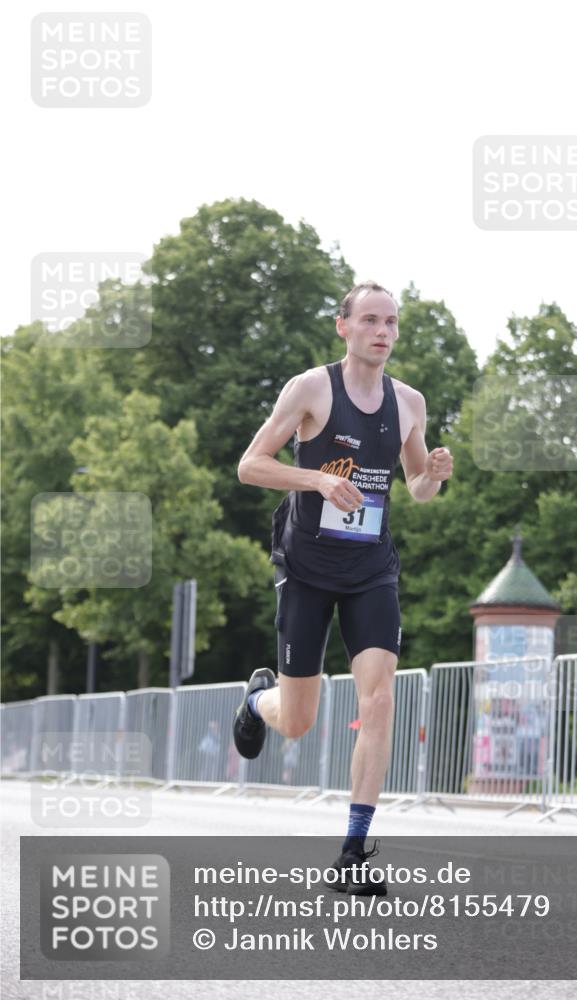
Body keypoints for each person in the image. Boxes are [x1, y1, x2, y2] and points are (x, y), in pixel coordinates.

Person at [234, 280, 453, 894]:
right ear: (344, 327)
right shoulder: (310, 388)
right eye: (371, 320)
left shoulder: (408, 401)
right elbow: (251, 466)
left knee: (378, 700)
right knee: (298, 721)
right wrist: (318, 481)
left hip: (371, 571)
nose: (383, 331)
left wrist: (433, 474)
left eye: (392, 322)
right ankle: (256, 700)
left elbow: (414, 486)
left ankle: (353, 852)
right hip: (305, 568)